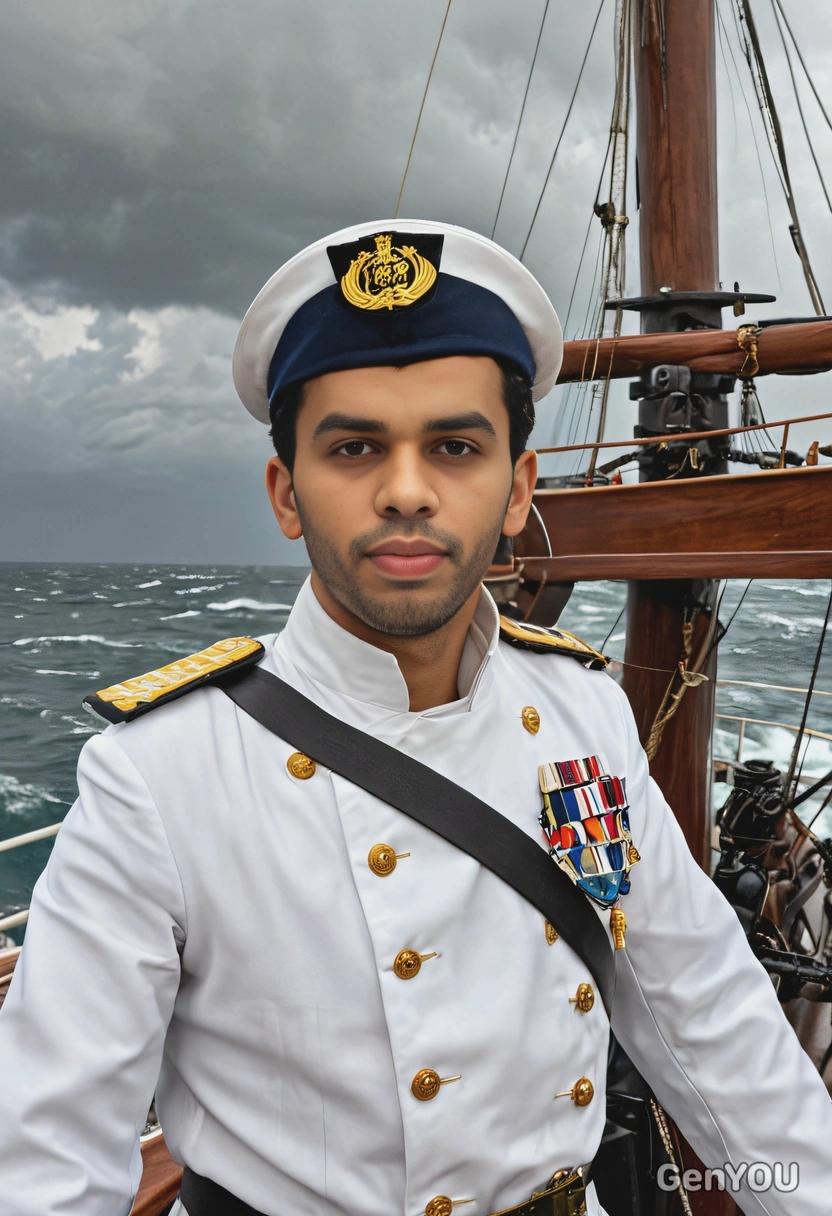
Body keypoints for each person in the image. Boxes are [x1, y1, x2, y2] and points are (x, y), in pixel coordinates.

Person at [0, 218, 829, 1216]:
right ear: (286, 492)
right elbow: (48, 1162)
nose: (404, 490)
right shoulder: (162, 772)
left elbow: (706, 1014)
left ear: (517, 487)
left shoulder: (582, 711)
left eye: (453, 445)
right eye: (354, 447)